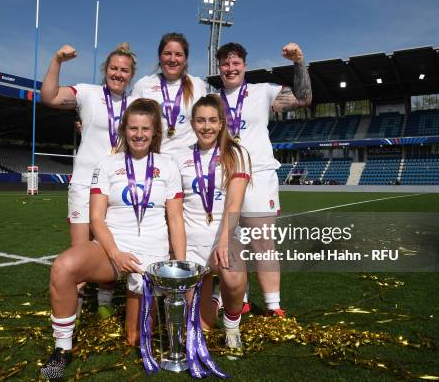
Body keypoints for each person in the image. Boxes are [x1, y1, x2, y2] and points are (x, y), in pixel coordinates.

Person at [40, 99, 186, 379]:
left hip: (152, 254)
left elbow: (176, 219)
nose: (139, 134)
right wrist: (116, 253)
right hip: (112, 248)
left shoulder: (168, 166)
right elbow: (96, 218)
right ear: (124, 130)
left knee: (135, 339)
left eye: (145, 128)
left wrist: (177, 263)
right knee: (63, 267)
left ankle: (144, 310)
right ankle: (62, 350)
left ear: (154, 132)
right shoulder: (107, 164)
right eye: (133, 128)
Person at [215, 41, 312, 318]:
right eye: (225, 63)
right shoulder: (212, 100)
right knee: (231, 241)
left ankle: (273, 306)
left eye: (236, 63)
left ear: (244, 65)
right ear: (219, 68)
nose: (231, 68)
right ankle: (239, 299)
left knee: (262, 242)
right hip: (224, 176)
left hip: (258, 174)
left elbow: (303, 99)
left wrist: (298, 62)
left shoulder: (262, 91)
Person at [41, 42, 137, 317]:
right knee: (81, 250)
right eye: (114, 68)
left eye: (125, 70)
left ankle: (105, 304)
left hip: (118, 184)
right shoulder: (87, 93)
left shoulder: (136, 104)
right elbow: (49, 97)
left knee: (111, 245)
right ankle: (78, 310)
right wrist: (57, 60)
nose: (119, 74)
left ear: (131, 75)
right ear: (105, 70)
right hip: (86, 182)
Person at [174, 95, 251, 346]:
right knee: (202, 328)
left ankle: (232, 327)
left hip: (223, 237)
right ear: (193, 124)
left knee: (233, 273)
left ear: (221, 124)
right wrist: (178, 254)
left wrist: (225, 241)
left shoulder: (236, 154)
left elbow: (234, 203)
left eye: (212, 120)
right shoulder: (179, 157)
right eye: (200, 120)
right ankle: (213, 301)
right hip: (190, 243)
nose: (206, 126)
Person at [131, 32, 207, 158]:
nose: (172, 59)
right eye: (167, 53)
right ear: (159, 57)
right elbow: (131, 124)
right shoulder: (144, 85)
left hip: (190, 159)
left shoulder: (197, 85)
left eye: (178, 54)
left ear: (185, 59)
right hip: (154, 158)